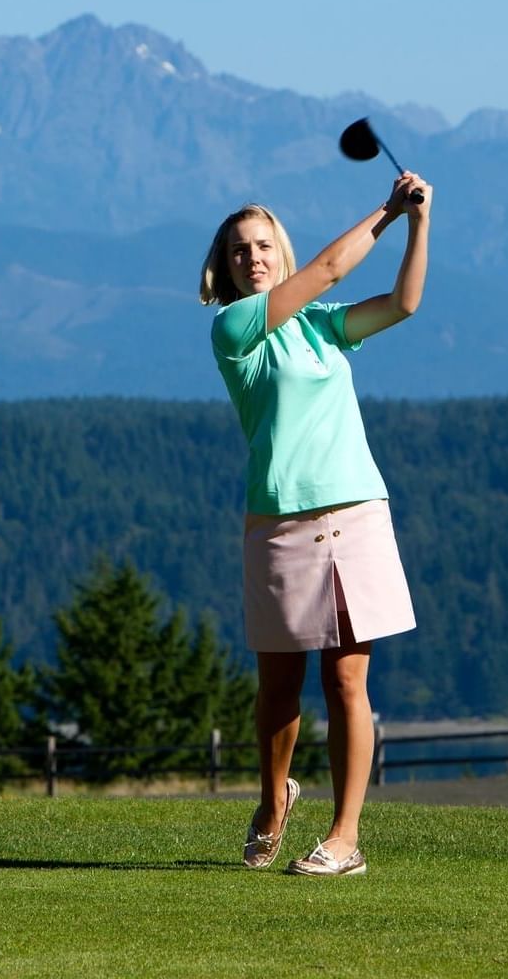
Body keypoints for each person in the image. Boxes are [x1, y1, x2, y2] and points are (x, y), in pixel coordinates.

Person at [199, 169, 431, 876]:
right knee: (277, 685)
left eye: (263, 245)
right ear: (224, 266)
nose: (253, 257)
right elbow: (331, 267)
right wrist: (386, 212)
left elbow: (403, 303)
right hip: (278, 524)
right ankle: (273, 801)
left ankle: (344, 837)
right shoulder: (235, 327)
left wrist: (419, 223)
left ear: (280, 251)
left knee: (346, 683)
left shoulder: (322, 326)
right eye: (239, 250)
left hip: (355, 514)